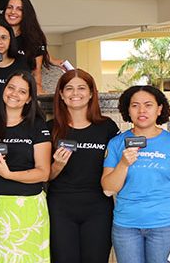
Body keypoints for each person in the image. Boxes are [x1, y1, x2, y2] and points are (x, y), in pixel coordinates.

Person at [102, 85, 170, 263]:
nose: (141, 110)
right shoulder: (116, 143)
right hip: (125, 226)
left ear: (159, 109)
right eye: (135, 105)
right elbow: (108, 189)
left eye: (148, 105)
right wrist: (123, 164)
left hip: (164, 226)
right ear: (128, 110)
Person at [0, 71, 51, 261]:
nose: (14, 94)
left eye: (22, 91)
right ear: (4, 90)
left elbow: (43, 172)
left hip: (28, 208)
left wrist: (8, 174)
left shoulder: (38, 126)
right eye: (11, 88)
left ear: (29, 98)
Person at [48, 69, 119, 263]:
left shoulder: (107, 127)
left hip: (98, 207)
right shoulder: (50, 128)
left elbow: (116, 169)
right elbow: (43, 175)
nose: (75, 93)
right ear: (61, 95)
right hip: (60, 207)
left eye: (81, 88)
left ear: (91, 93)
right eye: (69, 88)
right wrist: (57, 165)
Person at [3, 0, 62, 94]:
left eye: (19, 9)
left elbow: (36, 72)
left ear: (26, 13)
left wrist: (39, 94)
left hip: (20, 91)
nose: (13, 12)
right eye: (10, 7)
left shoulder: (34, 39)